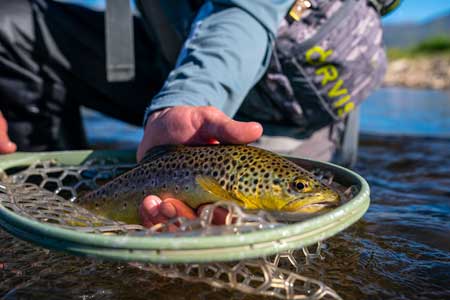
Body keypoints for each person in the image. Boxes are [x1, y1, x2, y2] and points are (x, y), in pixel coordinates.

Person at [0, 0, 398, 227]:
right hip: (175, 53)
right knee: (10, 26)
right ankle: (48, 211)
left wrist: (185, 98)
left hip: (282, 102)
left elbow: (245, 10)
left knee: (247, 239)